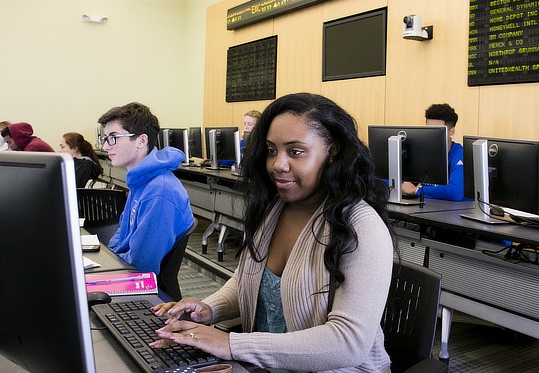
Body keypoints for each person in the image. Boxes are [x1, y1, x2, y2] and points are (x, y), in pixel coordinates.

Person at [151, 93, 394, 372]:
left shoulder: (361, 227)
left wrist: (231, 344)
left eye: (295, 151)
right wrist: (208, 309)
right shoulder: (273, 208)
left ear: (333, 152)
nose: (277, 164)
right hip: (263, 364)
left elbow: (348, 342)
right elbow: (251, 282)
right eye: (271, 150)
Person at [97, 102, 194, 275]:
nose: (105, 146)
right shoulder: (141, 180)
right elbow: (123, 231)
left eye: (113, 137)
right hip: (125, 269)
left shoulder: (160, 191)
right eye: (105, 138)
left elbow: (141, 265)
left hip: (139, 283)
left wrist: (107, 267)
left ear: (141, 140)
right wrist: (108, 258)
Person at [401, 103, 466, 201]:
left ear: (451, 132)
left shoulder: (459, 154)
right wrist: (401, 184)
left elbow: (455, 192)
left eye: (437, 130)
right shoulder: (422, 151)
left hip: (454, 212)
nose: (431, 135)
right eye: (428, 130)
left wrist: (417, 190)